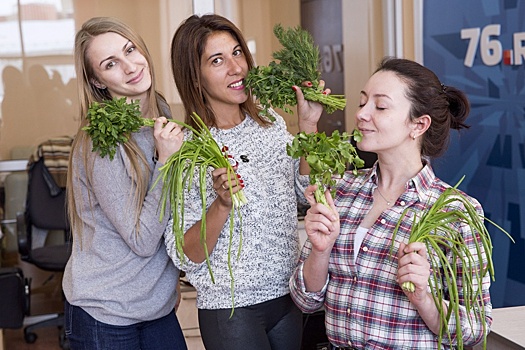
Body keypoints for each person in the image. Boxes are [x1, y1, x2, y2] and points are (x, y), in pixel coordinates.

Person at [290, 57, 491, 349]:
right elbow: (305, 301)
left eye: (380, 106)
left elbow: (474, 328)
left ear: (418, 125)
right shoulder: (340, 190)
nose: (362, 114)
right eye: (363, 103)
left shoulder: (455, 211)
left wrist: (423, 296)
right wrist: (320, 252)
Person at [164, 14, 325, 350]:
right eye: (217, 60)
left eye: (237, 53)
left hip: (288, 294)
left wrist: (308, 127)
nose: (236, 68)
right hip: (231, 308)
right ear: (195, 78)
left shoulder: (269, 120)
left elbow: (305, 191)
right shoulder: (189, 149)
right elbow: (186, 252)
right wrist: (221, 204)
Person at [63, 17, 187, 350]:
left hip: (155, 305)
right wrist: (166, 162)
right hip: (105, 313)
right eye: (111, 64)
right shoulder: (99, 140)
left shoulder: (161, 112)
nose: (130, 66)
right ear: (98, 81)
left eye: (130, 50)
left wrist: (167, 281)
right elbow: (142, 239)